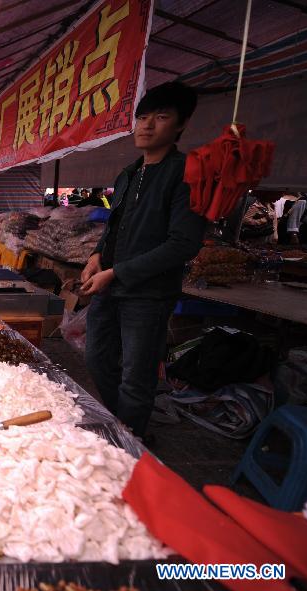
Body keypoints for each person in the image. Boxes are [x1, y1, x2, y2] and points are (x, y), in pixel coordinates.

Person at [81, 81, 206, 442]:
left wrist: (116, 272)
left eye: (161, 117)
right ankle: (124, 428)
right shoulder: (128, 174)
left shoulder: (186, 173)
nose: (147, 126)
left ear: (181, 125)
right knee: (96, 360)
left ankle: (128, 442)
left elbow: (184, 243)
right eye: (143, 117)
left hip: (148, 294)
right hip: (110, 284)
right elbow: (113, 227)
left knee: (137, 375)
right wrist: (95, 256)